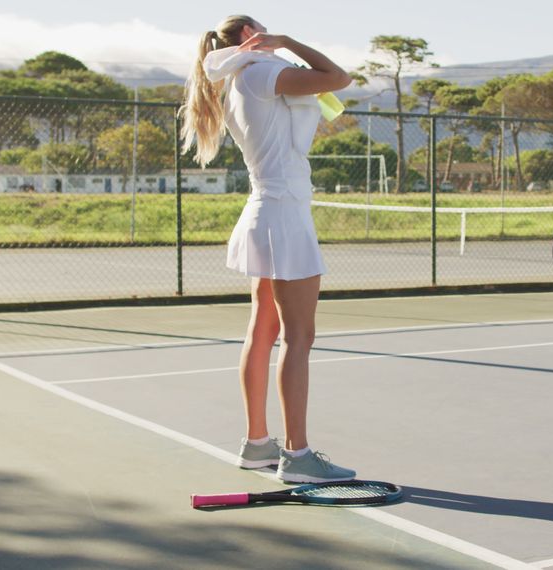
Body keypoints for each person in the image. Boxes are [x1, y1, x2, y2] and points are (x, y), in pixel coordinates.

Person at [181, 15, 355, 482]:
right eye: (264, 28)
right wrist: (290, 41)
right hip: (283, 217)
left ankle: (258, 445)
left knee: (263, 330)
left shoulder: (244, 79)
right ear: (248, 37)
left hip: (268, 212)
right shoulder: (261, 72)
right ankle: (297, 456)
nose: (273, 33)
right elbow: (340, 77)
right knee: (299, 337)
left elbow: (327, 93)